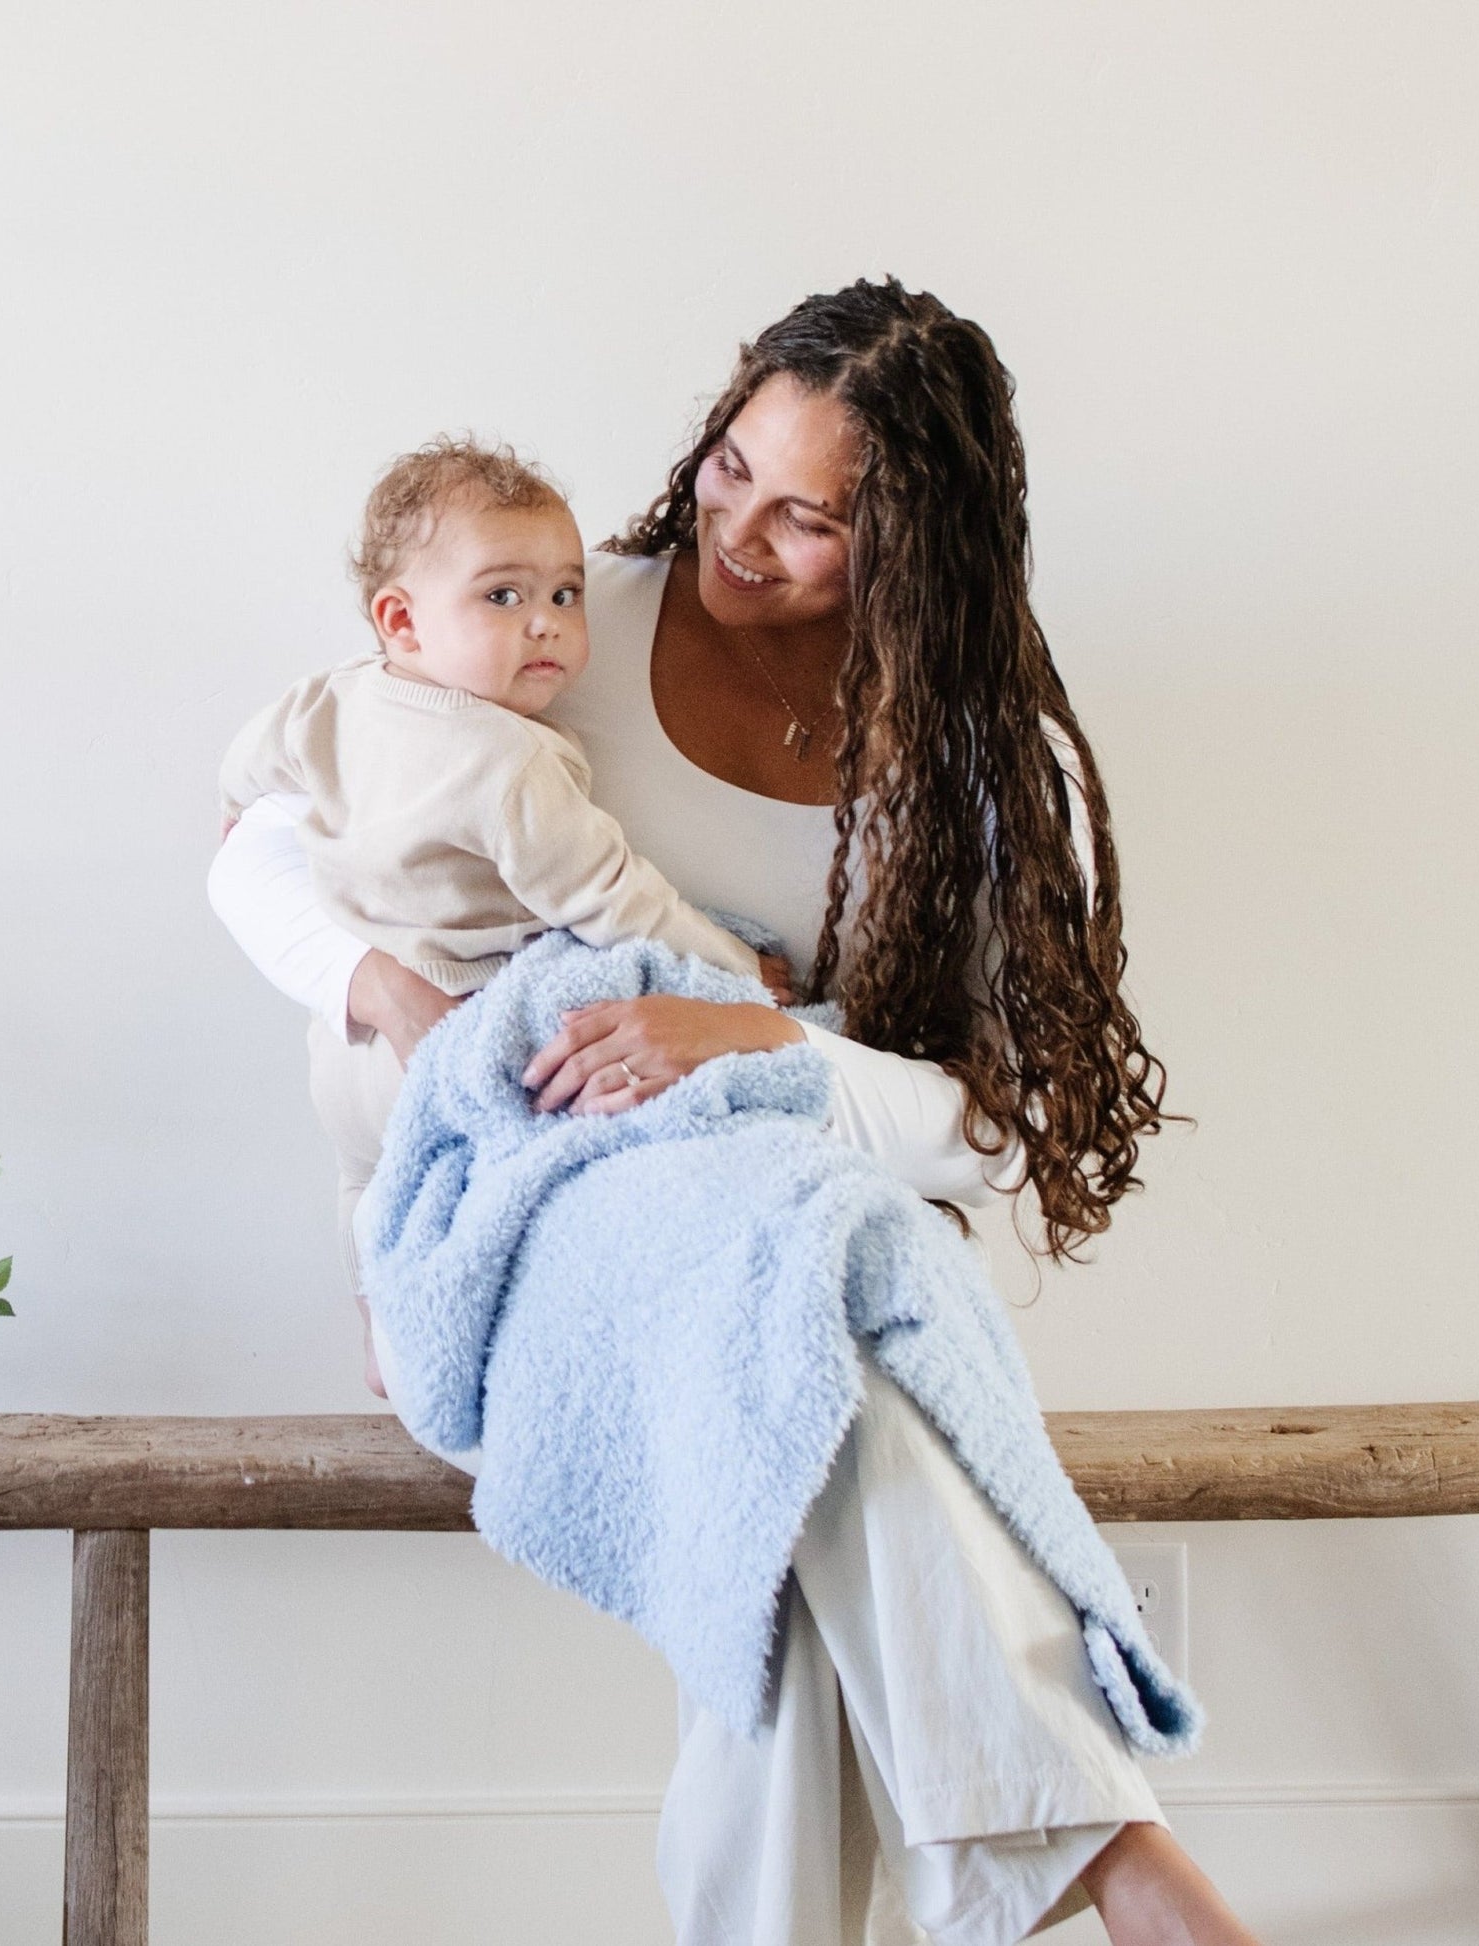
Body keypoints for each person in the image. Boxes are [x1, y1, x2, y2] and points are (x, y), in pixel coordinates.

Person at [209, 278, 1262, 1945]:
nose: (742, 536)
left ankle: (1031, 1861)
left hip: (798, 1219)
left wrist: (748, 1046)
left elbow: (989, 1131)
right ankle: (1100, 1846)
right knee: (809, 1323)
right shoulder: (554, 620)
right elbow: (272, 834)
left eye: (811, 519)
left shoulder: (977, 767)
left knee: (797, 1399)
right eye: (727, 468)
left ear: (915, 552)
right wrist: (403, 1007)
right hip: (539, 1211)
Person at [216, 437, 770, 1396]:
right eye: (503, 597)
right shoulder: (512, 764)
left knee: (364, 1187)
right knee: (508, 1190)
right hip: (458, 1030)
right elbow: (612, 898)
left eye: (565, 593)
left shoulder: (332, 700)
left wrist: (235, 813)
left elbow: (244, 770)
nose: (547, 625)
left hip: (340, 1041)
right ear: (404, 620)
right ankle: (485, 1354)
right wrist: (741, 974)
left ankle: (378, 1337)